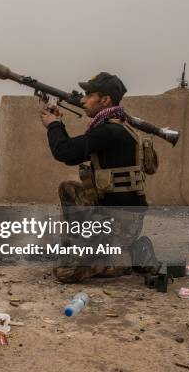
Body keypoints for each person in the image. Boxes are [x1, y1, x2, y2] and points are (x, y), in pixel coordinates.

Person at [39, 72, 158, 282]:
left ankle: (132, 255)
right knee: (69, 188)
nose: (83, 100)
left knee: (65, 272)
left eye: (88, 95)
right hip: (114, 215)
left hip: (121, 224)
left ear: (105, 100)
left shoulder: (110, 131)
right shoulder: (116, 127)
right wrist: (57, 124)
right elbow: (71, 154)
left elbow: (64, 152)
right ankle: (80, 248)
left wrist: (54, 124)